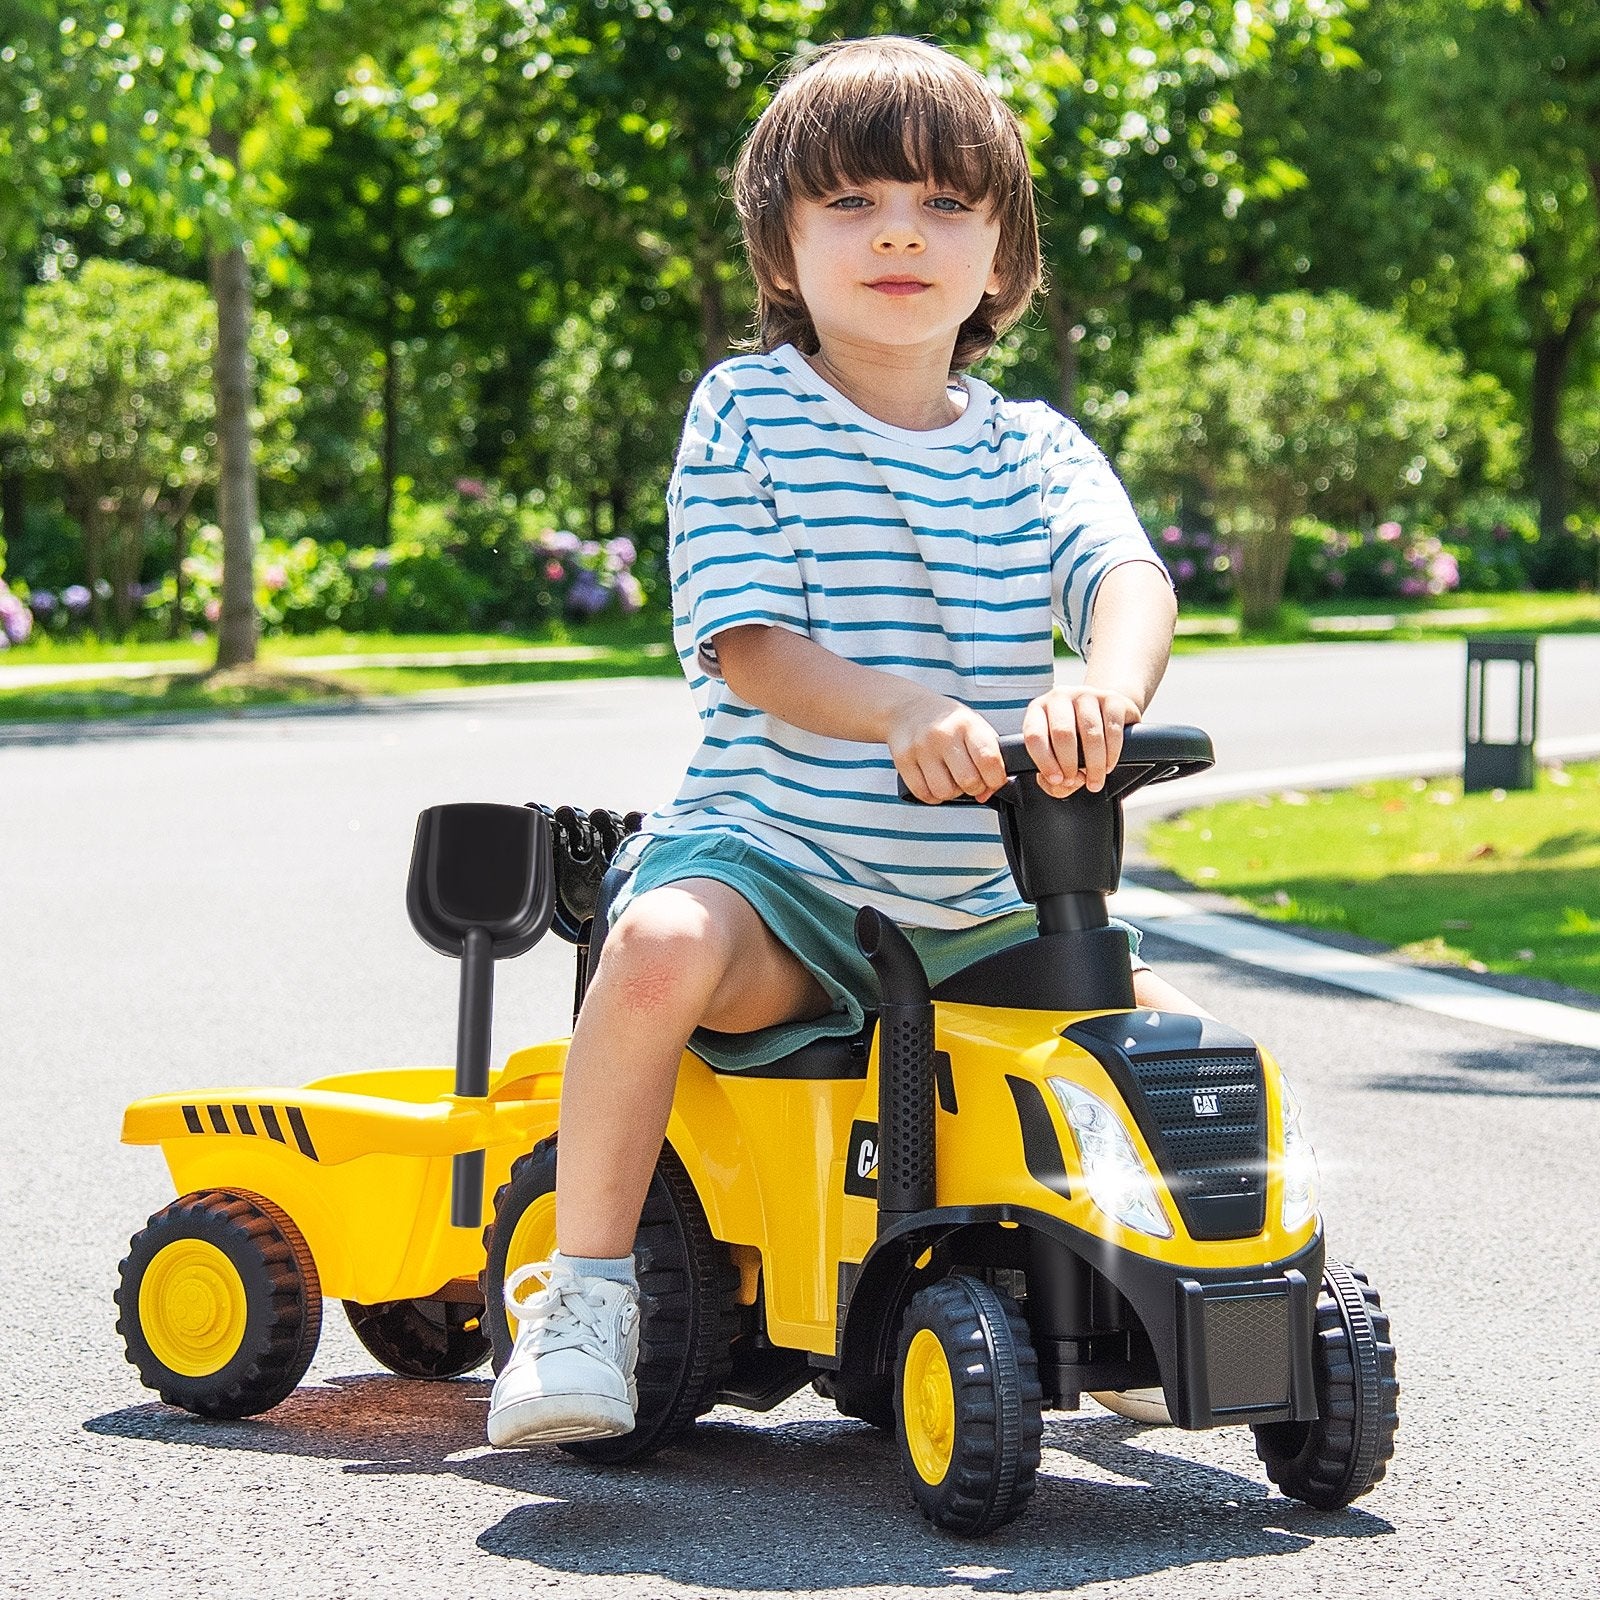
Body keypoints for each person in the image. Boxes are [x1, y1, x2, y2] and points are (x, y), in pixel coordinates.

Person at [486, 33, 1201, 1451]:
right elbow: (749, 648)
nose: (899, 234)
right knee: (657, 951)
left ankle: (1129, 1289)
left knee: (1151, 1041)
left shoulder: (1039, 452)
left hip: (972, 899)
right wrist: (899, 710)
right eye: (854, 203)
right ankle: (584, 1292)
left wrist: (1103, 695)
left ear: (1004, 255)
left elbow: (1129, 581)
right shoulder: (747, 416)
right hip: (781, 873)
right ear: (781, 243)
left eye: (944, 205)